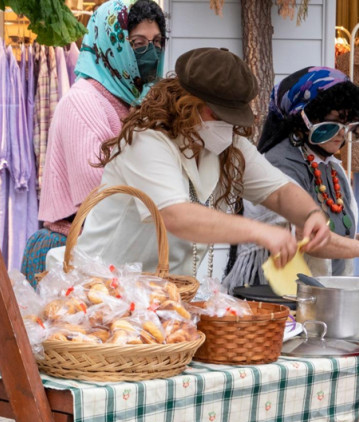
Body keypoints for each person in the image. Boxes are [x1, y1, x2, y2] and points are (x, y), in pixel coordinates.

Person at [55, 48, 332, 277]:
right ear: (186, 104)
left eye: (233, 118)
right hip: (101, 290)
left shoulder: (227, 146)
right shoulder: (146, 142)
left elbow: (280, 192)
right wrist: (260, 232)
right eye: (218, 115)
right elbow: (177, 215)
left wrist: (311, 214)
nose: (227, 126)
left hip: (165, 297)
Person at [21, 0, 166, 287]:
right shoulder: (83, 102)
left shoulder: (134, 101)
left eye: (157, 42)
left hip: (114, 252)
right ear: (112, 45)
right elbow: (102, 191)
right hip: (71, 252)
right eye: (138, 43)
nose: (151, 52)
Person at [222, 67, 359, 290]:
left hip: (318, 297)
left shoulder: (328, 162)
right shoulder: (281, 162)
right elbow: (307, 239)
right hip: (276, 300)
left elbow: (329, 233)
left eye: (347, 125)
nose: (340, 133)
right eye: (331, 124)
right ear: (302, 120)